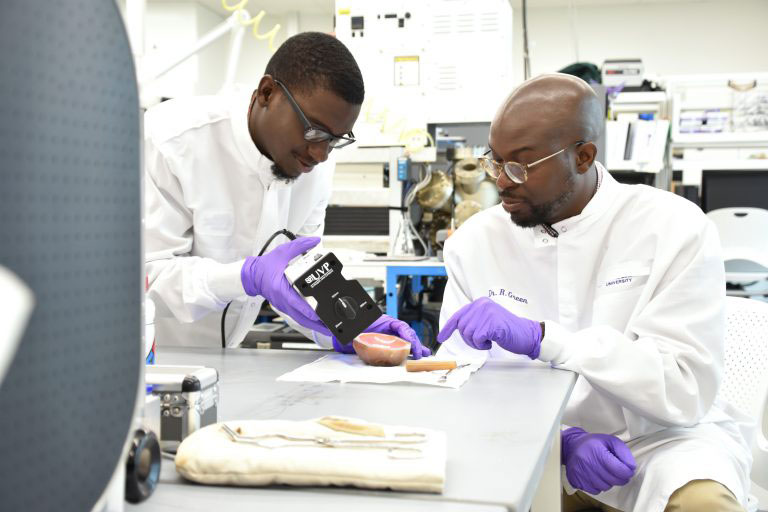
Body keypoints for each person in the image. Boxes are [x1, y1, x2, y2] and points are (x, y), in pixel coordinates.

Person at [436, 73, 751, 511]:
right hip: (532, 444)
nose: (502, 181)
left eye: (520, 165)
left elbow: (683, 388)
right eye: (495, 161)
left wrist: (548, 339)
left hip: (660, 444)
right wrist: (562, 441)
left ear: (583, 157)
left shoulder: (674, 228)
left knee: (704, 505)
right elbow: (461, 382)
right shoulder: (474, 244)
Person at [145, 32, 429, 358]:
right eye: (314, 131)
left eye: (335, 140)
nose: (321, 154)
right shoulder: (172, 141)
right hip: (153, 359)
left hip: (226, 361)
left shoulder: (314, 166)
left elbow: (302, 279)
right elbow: (147, 279)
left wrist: (353, 328)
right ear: (267, 93)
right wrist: (245, 277)